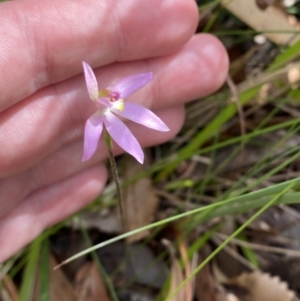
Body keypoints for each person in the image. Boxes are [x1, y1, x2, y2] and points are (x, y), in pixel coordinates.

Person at [0, 0, 228, 262]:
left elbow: (138, 87)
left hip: (113, 119)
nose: (112, 98)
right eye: (108, 96)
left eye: (113, 97)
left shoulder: (113, 109)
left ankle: (128, 238)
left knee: (142, 135)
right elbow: (91, 139)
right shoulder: (96, 118)